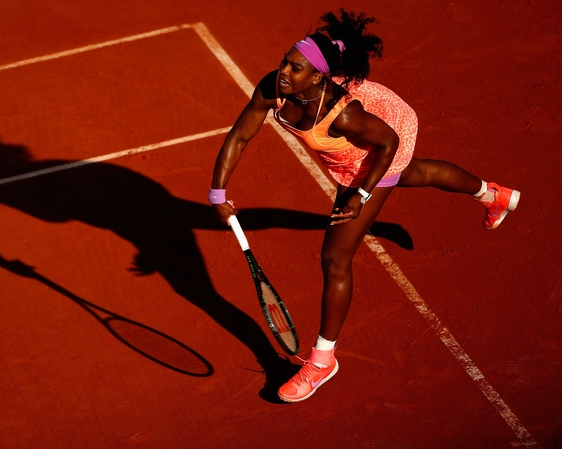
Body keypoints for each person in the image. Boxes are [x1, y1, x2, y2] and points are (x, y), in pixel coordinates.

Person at [209, 9, 520, 403]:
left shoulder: (344, 115)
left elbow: (388, 143)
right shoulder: (274, 87)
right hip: (352, 148)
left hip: (378, 147)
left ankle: (323, 361)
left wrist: (362, 195)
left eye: (295, 67)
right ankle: (494, 195)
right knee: (417, 173)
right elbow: (240, 136)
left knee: (335, 258)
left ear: (318, 77)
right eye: (286, 61)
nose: (284, 71)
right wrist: (218, 193)